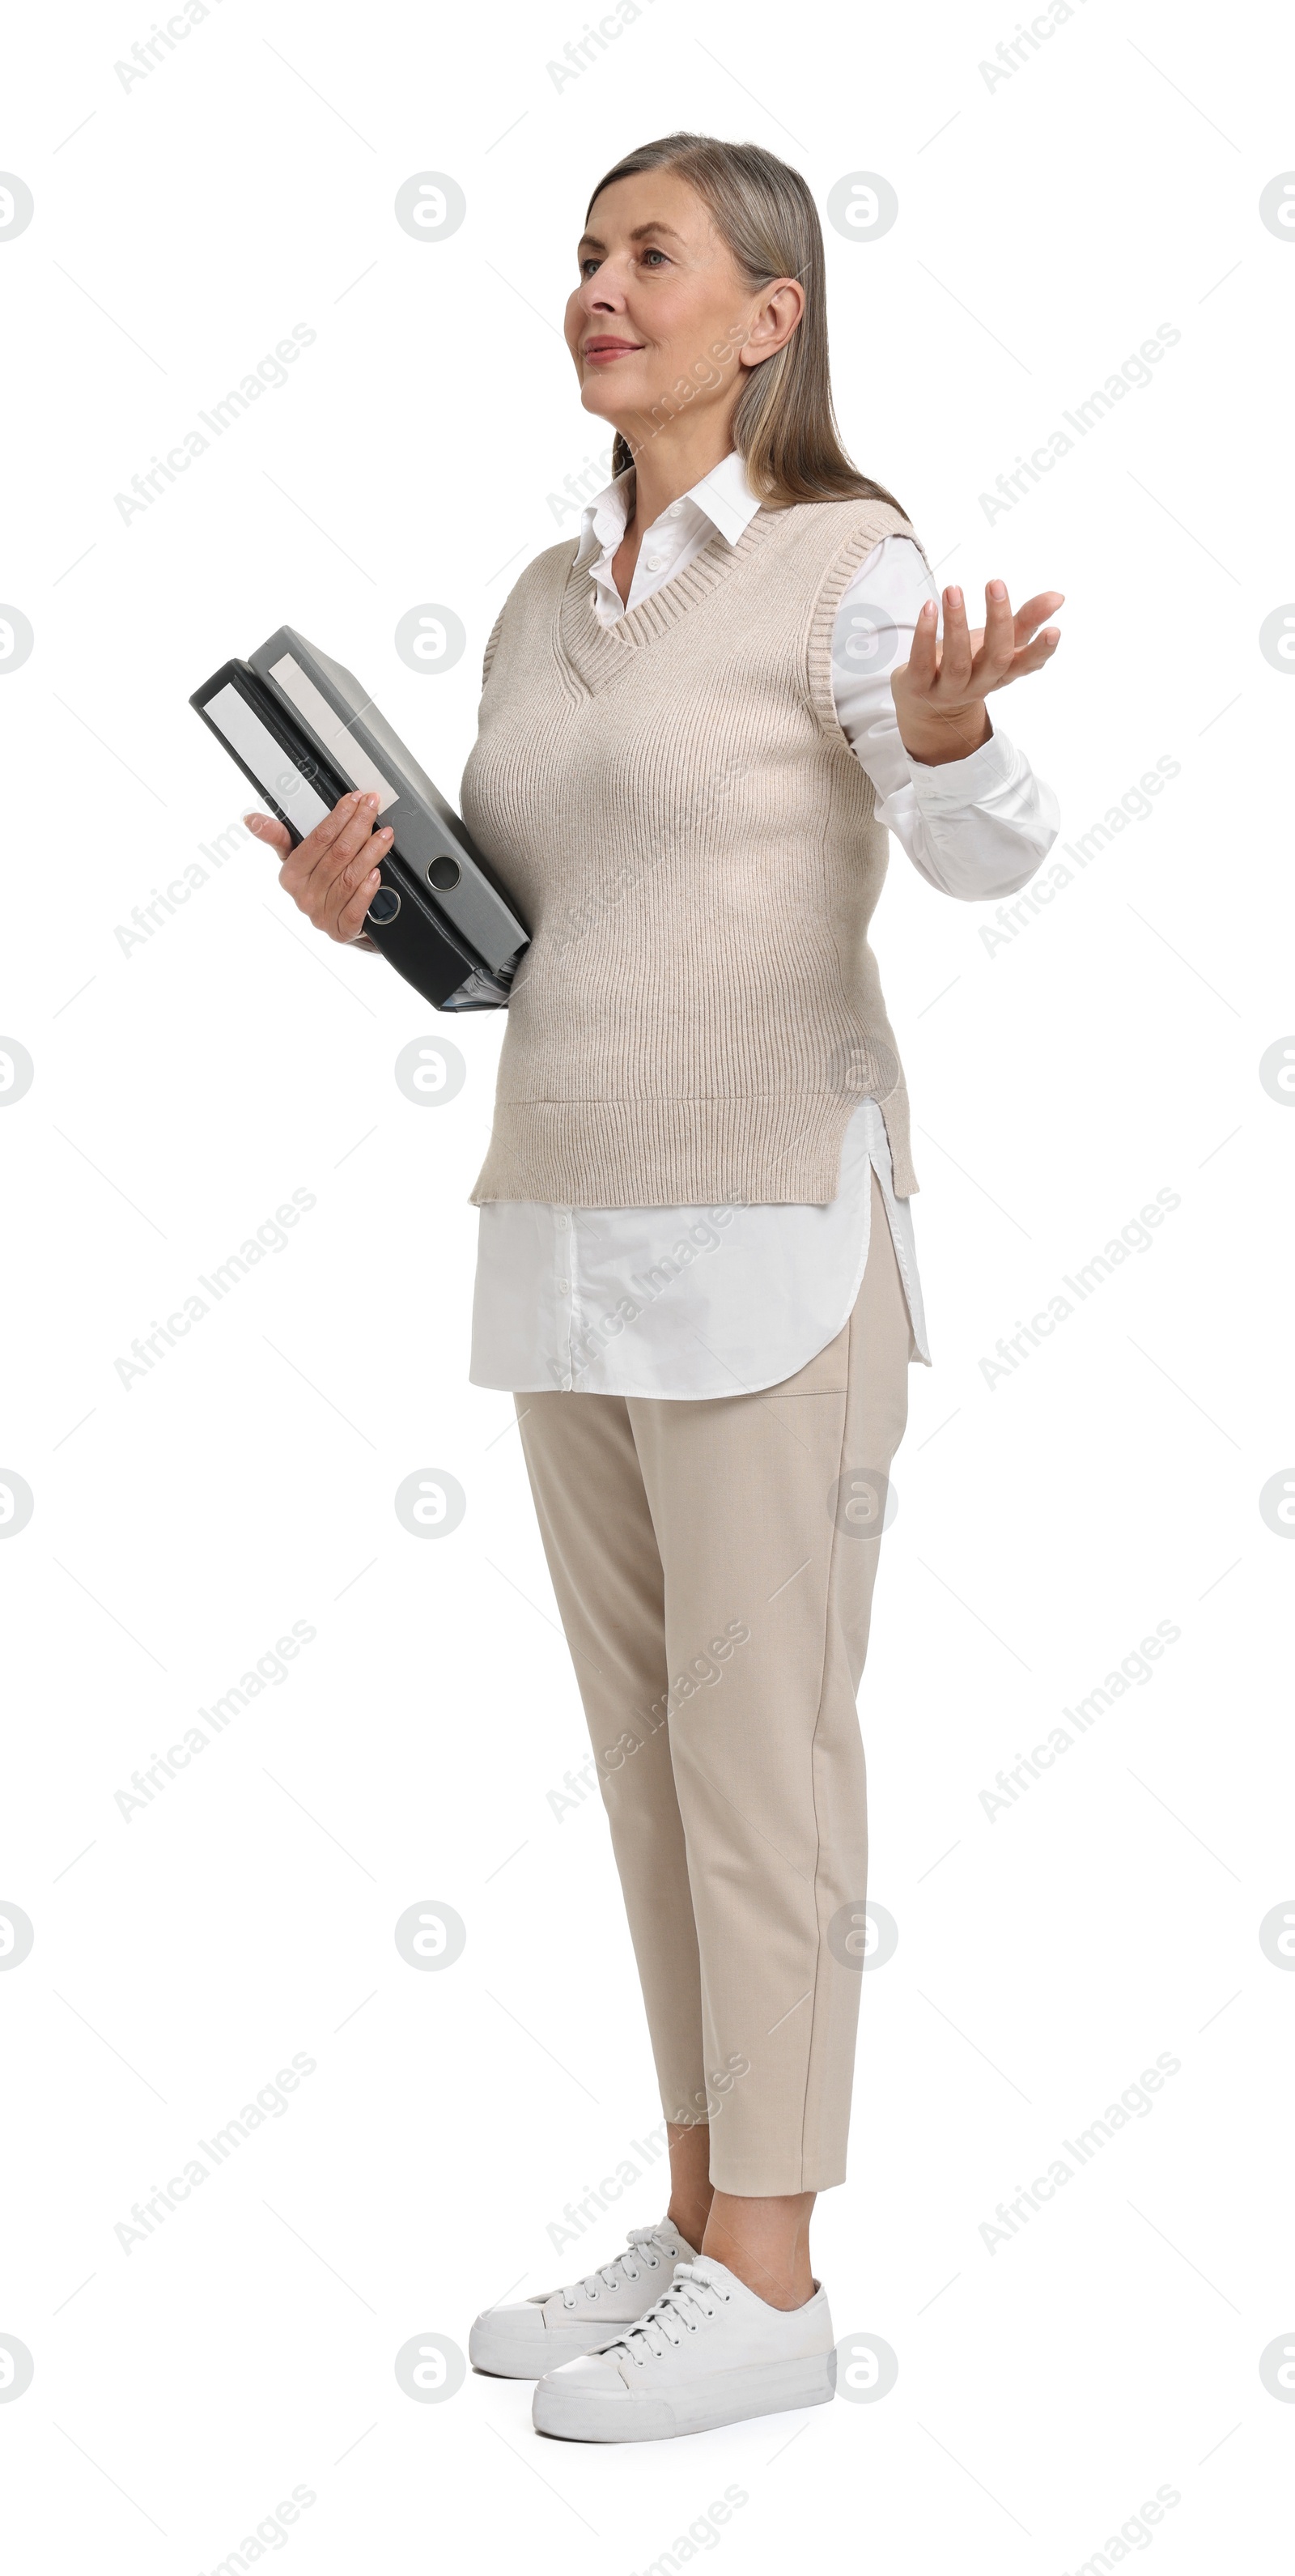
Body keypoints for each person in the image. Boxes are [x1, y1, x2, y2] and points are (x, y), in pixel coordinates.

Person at [245, 131, 1062, 2445]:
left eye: (653, 254)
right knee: (640, 1766)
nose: (602, 285)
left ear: (770, 314)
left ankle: (781, 2284)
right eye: (587, 254)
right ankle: (703, 2224)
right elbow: (528, 938)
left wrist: (955, 733)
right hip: (567, 1229)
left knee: (763, 1764)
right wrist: (375, 908)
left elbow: (985, 840)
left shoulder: (845, 564)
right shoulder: (541, 596)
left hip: (772, 1235)